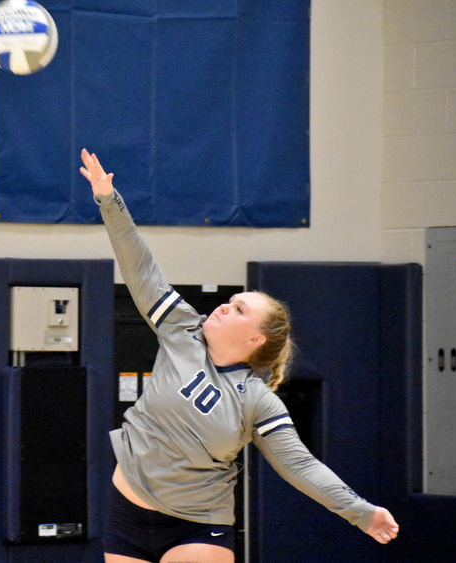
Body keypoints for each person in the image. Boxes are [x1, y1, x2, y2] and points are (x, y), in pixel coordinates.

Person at [78, 148, 399, 563]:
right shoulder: (181, 329)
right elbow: (140, 266)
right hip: (126, 513)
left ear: (255, 340)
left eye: (240, 309)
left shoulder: (256, 400)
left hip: (198, 523)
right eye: (230, 300)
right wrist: (109, 199)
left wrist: (361, 513)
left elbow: (300, 466)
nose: (226, 306)